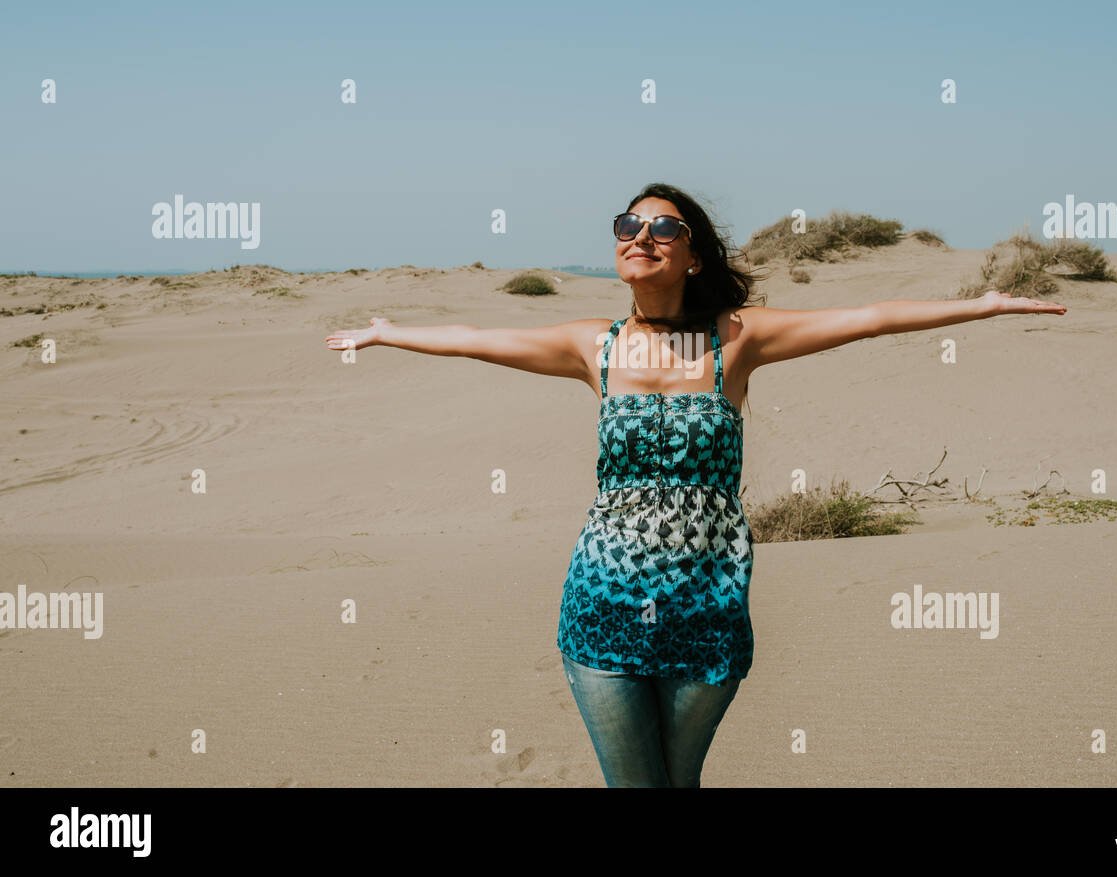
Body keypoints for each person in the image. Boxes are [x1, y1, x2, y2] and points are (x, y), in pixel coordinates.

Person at [325, 182, 1066, 787]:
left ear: (693, 256)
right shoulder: (595, 346)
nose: (640, 236)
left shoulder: (736, 340)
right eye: (628, 223)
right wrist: (389, 331)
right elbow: (479, 341)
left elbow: (867, 318)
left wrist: (985, 305)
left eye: (663, 227)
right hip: (603, 602)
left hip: (706, 606)